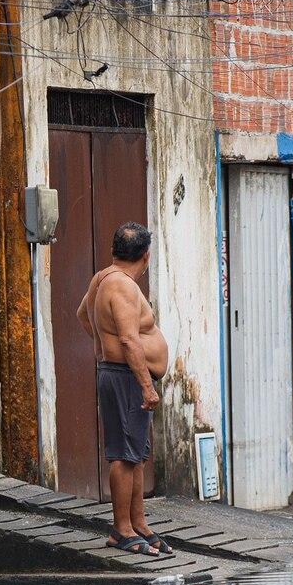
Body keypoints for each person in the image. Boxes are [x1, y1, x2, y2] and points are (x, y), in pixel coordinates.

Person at [77, 221, 172, 556]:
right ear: (145, 256)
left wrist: (105, 345)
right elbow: (131, 339)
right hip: (125, 377)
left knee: (136, 455)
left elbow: (82, 315)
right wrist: (146, 386)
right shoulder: (122, 287)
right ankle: (121, 529)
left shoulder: (103, 279)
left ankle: (138, 524)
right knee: (124, 456)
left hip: (120, 372)